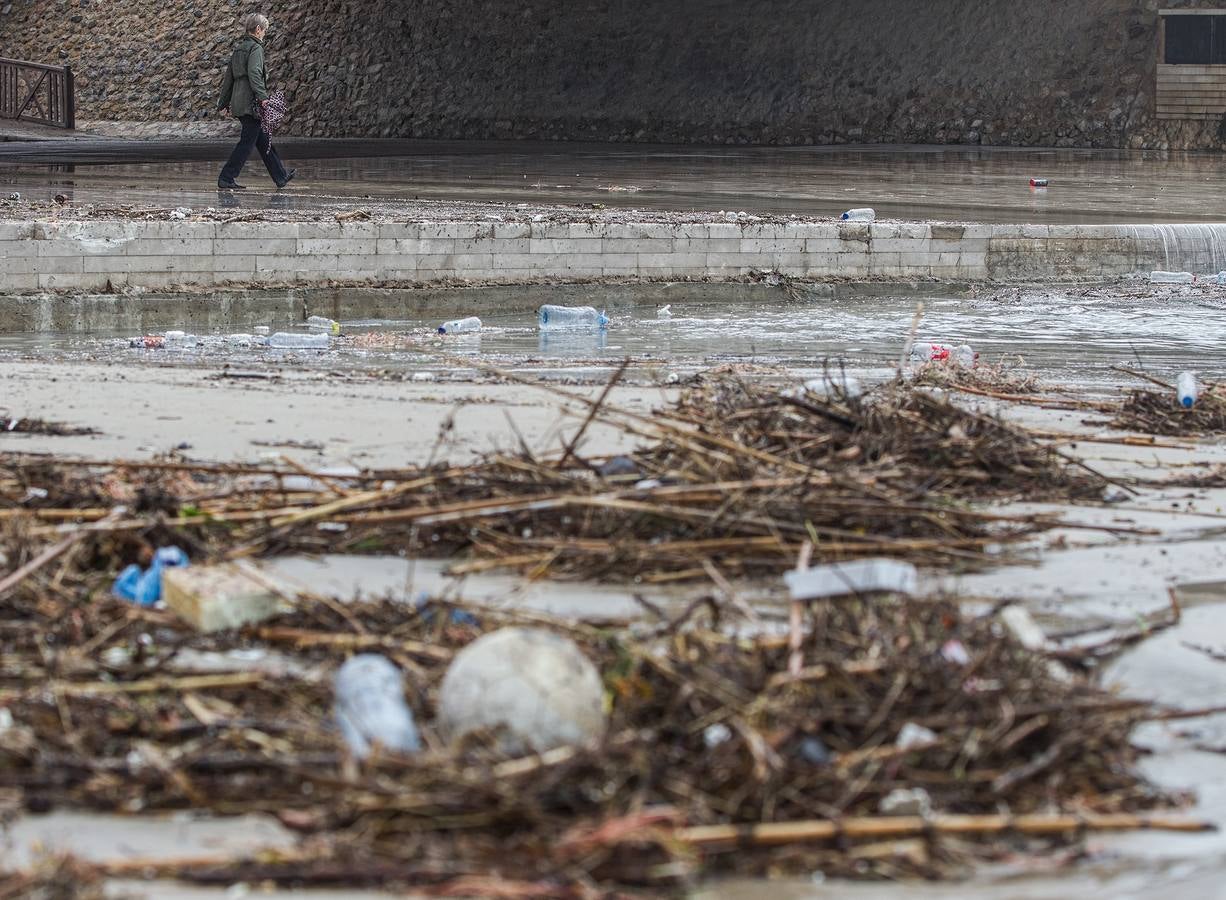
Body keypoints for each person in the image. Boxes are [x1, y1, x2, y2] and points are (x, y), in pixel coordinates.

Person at [216, 13, 296, 190]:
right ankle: (226, 177)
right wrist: (263, 97)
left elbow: (228, 78)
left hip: (240, 101)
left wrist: (223, 103)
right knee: (247, 142)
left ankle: (280, 176)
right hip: (251, 103)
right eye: (265, 30)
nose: (265, 34)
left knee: (263, 139)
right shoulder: (256, 49)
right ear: (258, 29)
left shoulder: (239, 49)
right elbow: (254, 74)